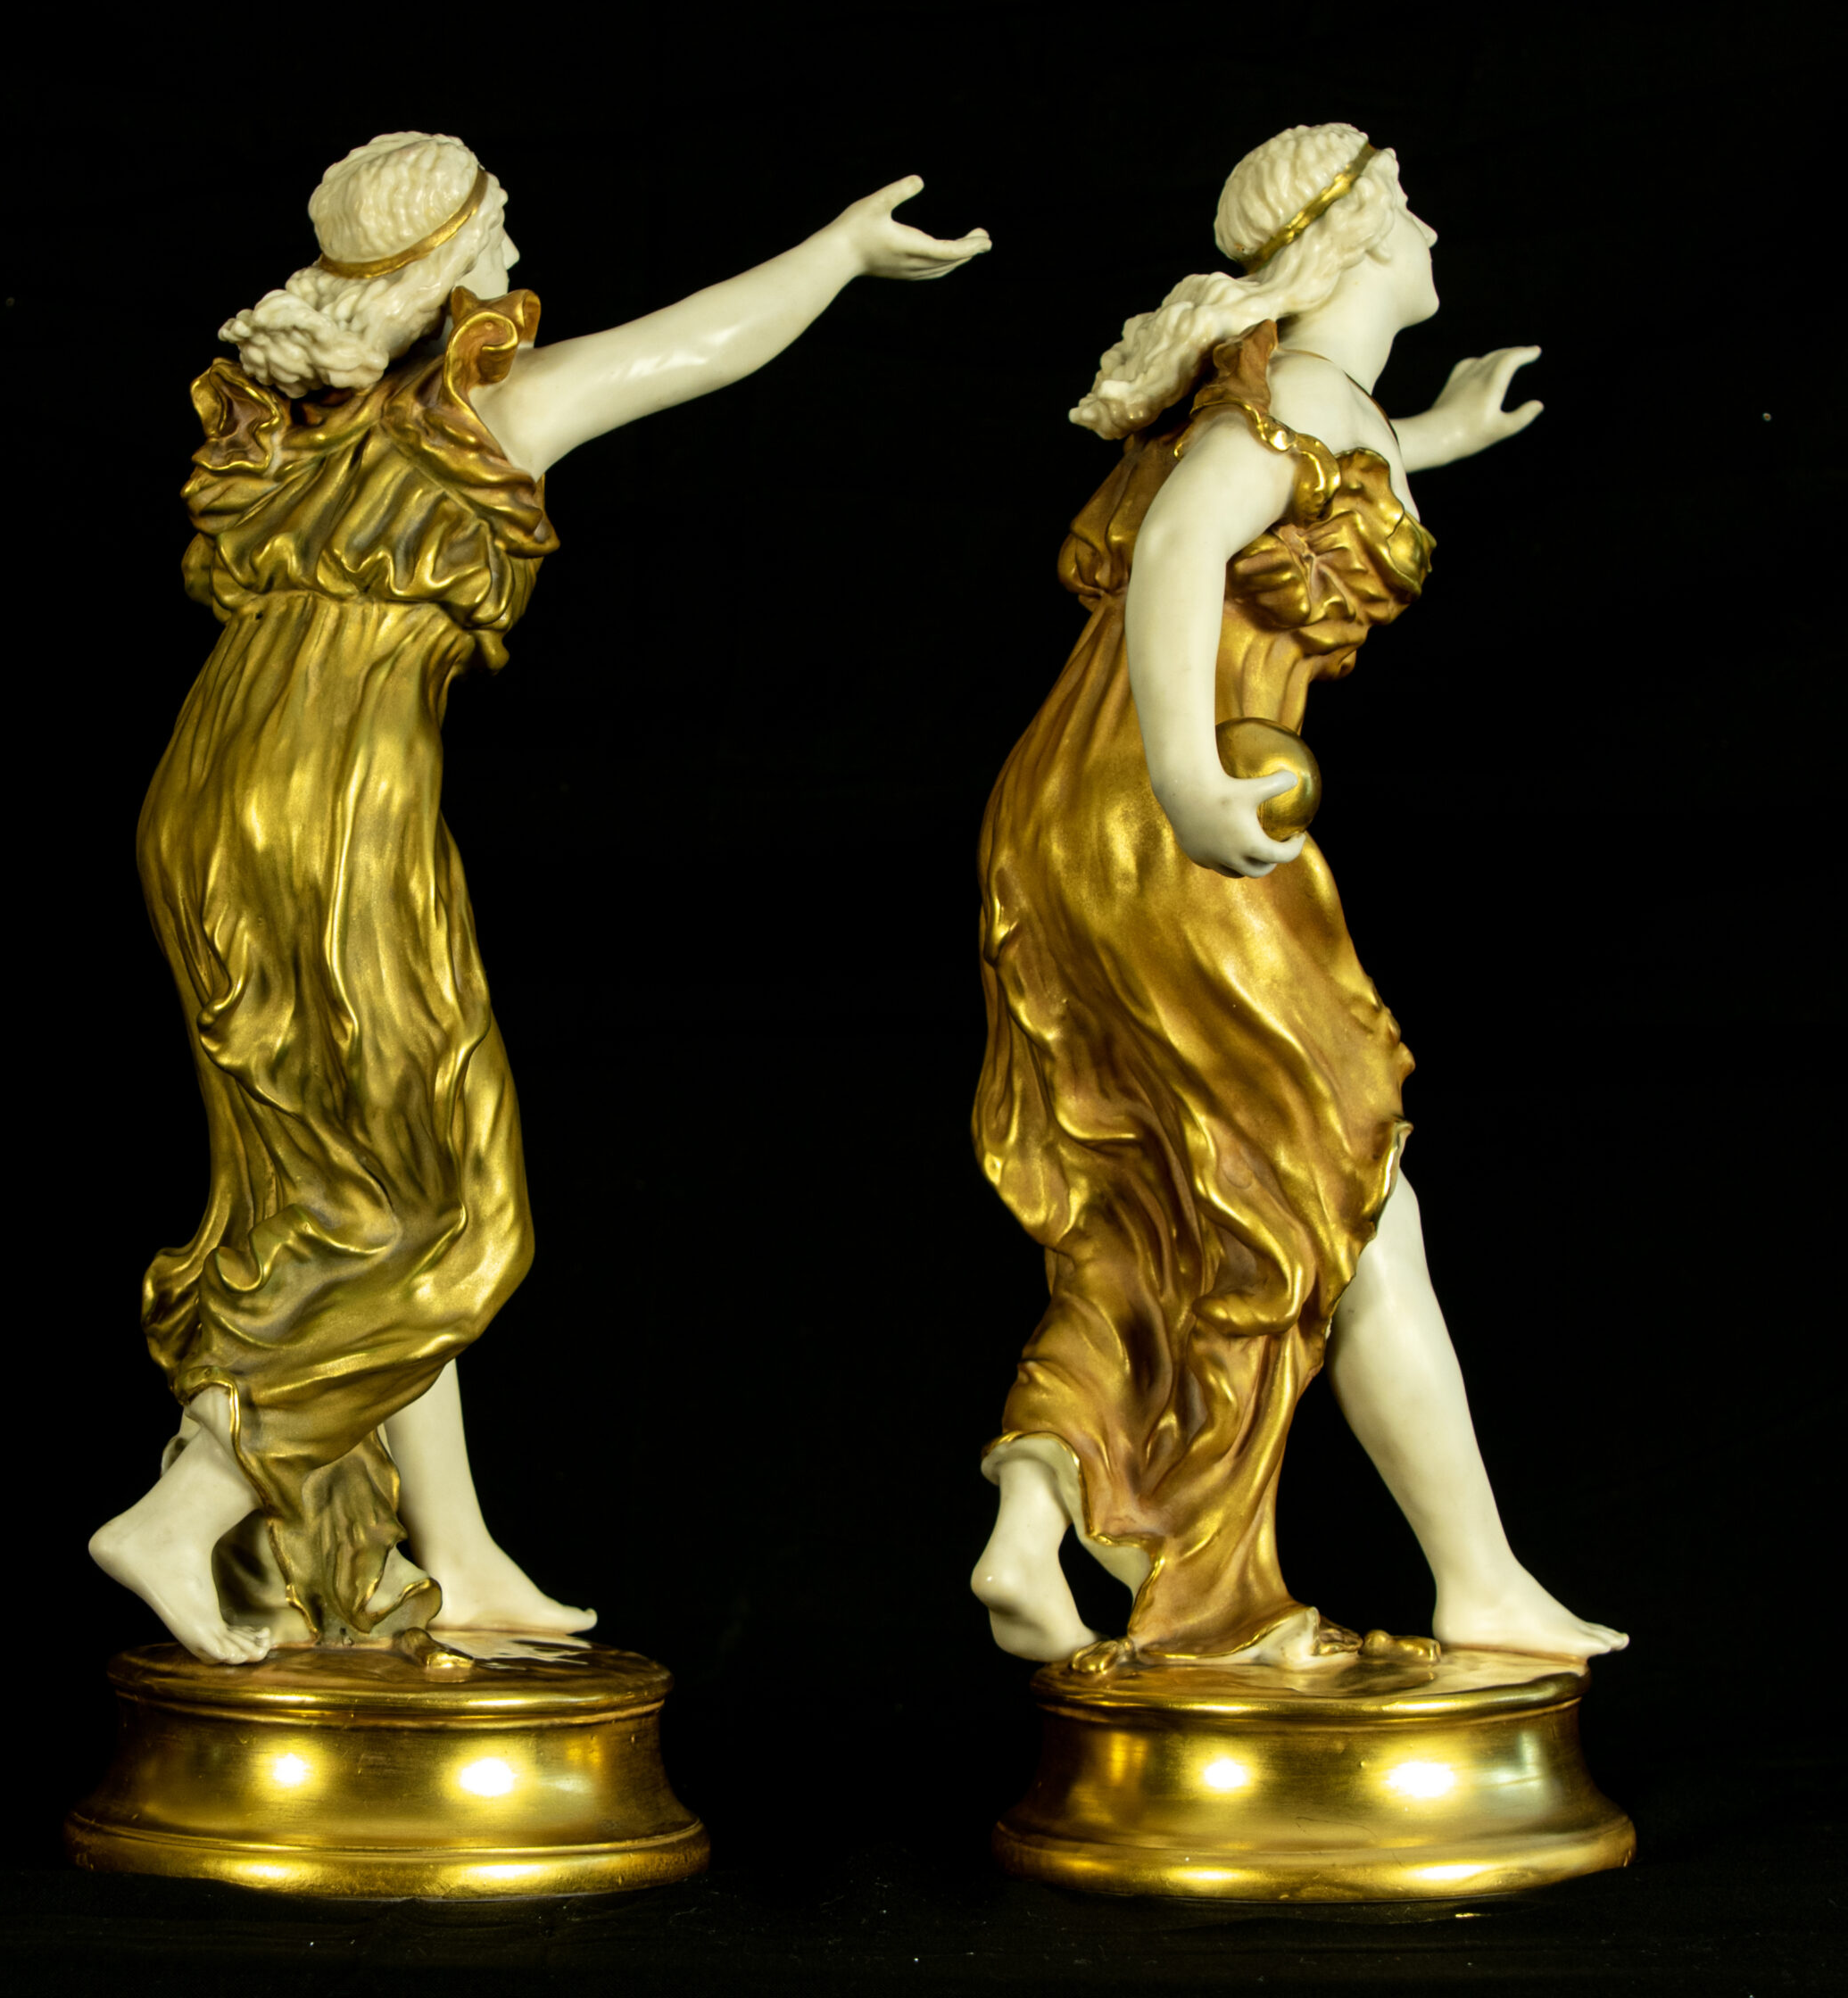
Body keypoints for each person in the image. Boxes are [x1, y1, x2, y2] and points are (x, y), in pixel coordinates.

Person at [91, 132, 989, 1662]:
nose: (511, 251)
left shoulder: (294, 434)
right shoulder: (478, 414)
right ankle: (196, 1499)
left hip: (204, 802)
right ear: (452, 256)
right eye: (493, 228)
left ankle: (449, 1554)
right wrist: (839, 253)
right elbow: (692, 347)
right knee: (450, 1201)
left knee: (340, 1188)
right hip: (337, 807)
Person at [967, 124, 1624, 1670]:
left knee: (1175, 1189)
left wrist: (1441, 434)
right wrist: (1191, 776)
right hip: (1177, 817)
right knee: (1335, 1186)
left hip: (1073, 812)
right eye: (1413, 209)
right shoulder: (1298, 399)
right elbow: (1186, 542)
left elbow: (1301, 481)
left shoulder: (1295, 398)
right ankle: (1435, 1580)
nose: (1434, 234)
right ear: (1364, 237)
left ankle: (1034, 1507)